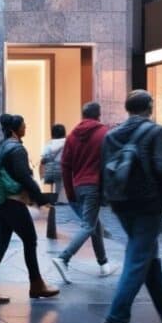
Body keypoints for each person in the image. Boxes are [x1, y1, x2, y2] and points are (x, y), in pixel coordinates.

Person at [100, 90, 162, 323]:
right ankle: (116, 318)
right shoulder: (157, 132)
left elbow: (103, 169)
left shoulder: (111, 135)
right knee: (139, 257)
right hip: (148, 203)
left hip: (120, 202)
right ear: (150, 107)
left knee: (146, 254)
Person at [0, 114, 58, 303]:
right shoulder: (17, 149)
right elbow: (23, 177)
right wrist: (40, 197)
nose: (26, 127)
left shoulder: (2, 146)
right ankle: (36, 285)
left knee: (1, 244)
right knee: (30, 240)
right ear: (14, 129)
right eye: (23, 125)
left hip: (0, 202)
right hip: (13, 203)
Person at [52, 102, 116, 283]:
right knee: (89, 225)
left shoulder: (72, 136)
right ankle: (64, 258)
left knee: (95, 224)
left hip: (79, 185)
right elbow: (109, 163)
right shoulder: (104, 133)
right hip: (94, 185)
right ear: (99, 115)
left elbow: (65, 166)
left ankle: (103, 263)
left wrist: (70, 191)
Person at [40, 124, 66, 203]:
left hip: (51, 170)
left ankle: (55, 200)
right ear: (64, 133)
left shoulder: (49, 145)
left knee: (55, 186)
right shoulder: (67, 143)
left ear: (52, 134)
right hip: (63, 169)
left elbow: (43, 159)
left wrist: (41, 174)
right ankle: (61, 200)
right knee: (62, 187)